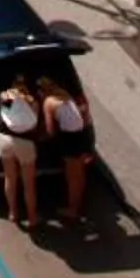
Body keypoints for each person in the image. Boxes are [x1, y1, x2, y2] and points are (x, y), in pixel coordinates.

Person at [40, 77, 92, 229]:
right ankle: (78, 203)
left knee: (72, 176)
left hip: (69, 140)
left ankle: (72, 209)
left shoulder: (48, 102)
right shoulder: (64, 94)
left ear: (43, 91)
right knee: (79, 173)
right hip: (81, 135)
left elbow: (49, 131)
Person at [0, 70, 41, 228]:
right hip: (25, 142)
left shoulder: (4, 98)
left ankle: (13, 213)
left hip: (4, 139)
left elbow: (2, 106)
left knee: (10, 177)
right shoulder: (33, 102)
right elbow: (34, 123)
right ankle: (32, 217)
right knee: (28, 183)